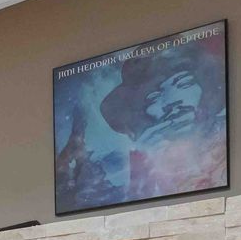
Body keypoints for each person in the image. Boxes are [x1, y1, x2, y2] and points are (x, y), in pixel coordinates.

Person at [97, 39, 227, 203]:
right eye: (154, 98)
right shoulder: (132, 172)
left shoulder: (226, 142)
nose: (172, 103)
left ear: (204, 86)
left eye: (183, 83)